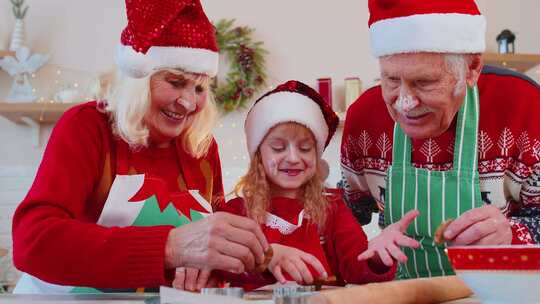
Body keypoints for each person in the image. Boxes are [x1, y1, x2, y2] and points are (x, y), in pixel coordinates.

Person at [12, 0, 269, 294]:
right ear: (138, 78)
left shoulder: (201, 148)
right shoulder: (86, 127)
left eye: (199, 88)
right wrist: (169, 247)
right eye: (175, 82)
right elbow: (33, 241)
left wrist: (262, 261)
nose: (188, 102)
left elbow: (208, 252)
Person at [341, 0, 540, 279]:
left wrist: (513, 233)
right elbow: (342, 219)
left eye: (424, 82)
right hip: (405, 294)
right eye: (390, 80)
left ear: (471, 68)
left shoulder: (525, 108)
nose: (405, 103)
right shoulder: (364, 119)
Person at [212, 81, 396, 290]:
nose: (293, 158)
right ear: (258, 156)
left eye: (305, 148)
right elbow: (221, 265)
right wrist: (265, 257)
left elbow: (357, 268)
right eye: (278, 148)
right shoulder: (236, 212)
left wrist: (378, 255)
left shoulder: (333, 209)